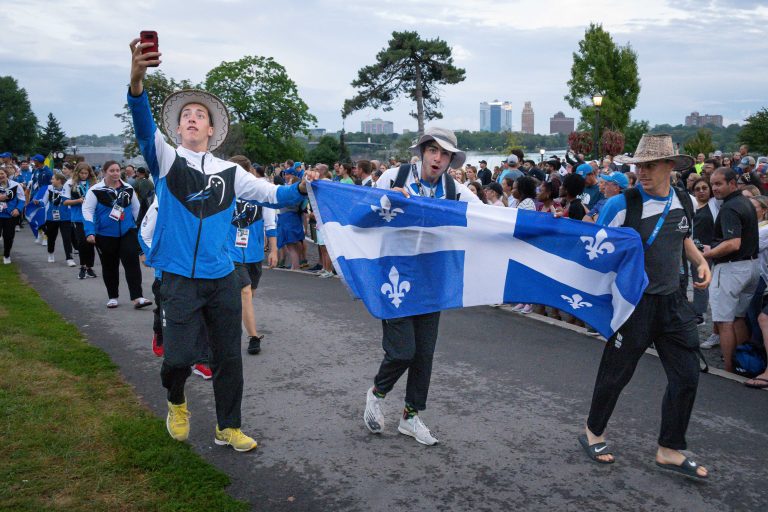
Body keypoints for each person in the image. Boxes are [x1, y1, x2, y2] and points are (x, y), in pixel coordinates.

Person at [128, 37, 316, 452]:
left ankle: (227, 427)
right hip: (177, 279)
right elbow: (143, 124)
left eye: (201, 116)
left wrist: (301, 187)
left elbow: (274, 195)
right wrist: (137, 78)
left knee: (227, 359)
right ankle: (176, 401)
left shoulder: (230, 171)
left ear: (212, 130)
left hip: (222, 277)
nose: (193, 119)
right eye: (186, 116)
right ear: (177, 128)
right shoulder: (166, 160)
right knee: (177, 360)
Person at [580, 133, 711, 480]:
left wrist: (700, 261)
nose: (644, 173)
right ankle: (593, 431)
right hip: (634, 304)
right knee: (616, 374)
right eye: (639, 167)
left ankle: (669, 448)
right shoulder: (622, 204)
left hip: (672, 304)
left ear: (670, 166)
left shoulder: (683, 199)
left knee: (686, 375)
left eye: (651, 166)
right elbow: (594, 249)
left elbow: (683, 238)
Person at [363, 126, 479, 446]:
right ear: (422, 151)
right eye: (433, 151)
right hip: (395, 278)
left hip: (432, 281)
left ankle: (410, 417)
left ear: (451, 160)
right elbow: (361, 210)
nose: (438, 158)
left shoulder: (455, 189)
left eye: (445, 154)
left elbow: (487, 216)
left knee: (424, 354)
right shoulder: (394, 178)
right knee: (403, 352)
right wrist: (384, 200)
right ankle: (377, 393)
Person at [703, 167, 760, 372]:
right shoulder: (746, 202)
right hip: (751, 266)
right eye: (713, 184)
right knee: (739, 317)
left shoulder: (730, 207)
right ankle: (743, 364)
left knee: (724, 321)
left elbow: (733, 243)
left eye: (719, 184)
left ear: (732, 184)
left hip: (731, 269)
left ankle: (728, 369)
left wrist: (707, 254)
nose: (714, 188)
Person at [83, 160, 152, 309]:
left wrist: (140, 229)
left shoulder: (128, 189)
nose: (115, 173)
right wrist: (89, 231)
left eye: (117, 170)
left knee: (132, 264)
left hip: (127, 232)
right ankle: (112, 296)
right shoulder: (95, 190)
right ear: (104, 172)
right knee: (109, 265)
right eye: (111, 171)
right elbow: (87, 211)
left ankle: (137, 297)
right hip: (105, 234)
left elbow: (137, 210)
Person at [227, 155, 278, 355]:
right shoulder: (224, 192)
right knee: (245, 291)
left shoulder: (258, 191)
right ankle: (253, 336)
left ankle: (234, 320)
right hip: (231, 252)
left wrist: (273, 250)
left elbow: (270, 223)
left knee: (249, 294)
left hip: (254, 253)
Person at [64, 163, 98, 279]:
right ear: (77, 173)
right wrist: (78, 200)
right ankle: (83, 267)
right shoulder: (70, 183)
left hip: (92, 217)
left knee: (91, 242)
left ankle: (89, 267)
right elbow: (65, 201)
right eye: (81, 173)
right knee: (82, 243)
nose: (84, 175)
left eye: (86, 173)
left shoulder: (94, 184)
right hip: (78, 217)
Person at [691, 178, 717, 328]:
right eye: (697, 189)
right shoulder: (692, 205)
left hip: (705, 251)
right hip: (688, 248)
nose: (701, 191)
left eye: (704, 188)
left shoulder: (715, 205)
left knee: (700, 281)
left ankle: (699, 314)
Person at [39, 173, 75, 266]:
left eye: (53, 179)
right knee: (51, 237)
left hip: (65, 217)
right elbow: (44, 202)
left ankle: (69, 258)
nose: (51, 181)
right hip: (52, 217)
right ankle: (50, 253)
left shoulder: (67, 189)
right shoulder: (49, 189)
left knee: (67, 238)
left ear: (59, 180)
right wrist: (38, 202)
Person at [0, 167, 24, 264]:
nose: (0, 176)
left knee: (8, 237)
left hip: (10, 215)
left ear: (6, 174)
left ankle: (6, 255)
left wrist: (18, 209)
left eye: (2, 173)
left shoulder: (16, 185)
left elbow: (21, 199)